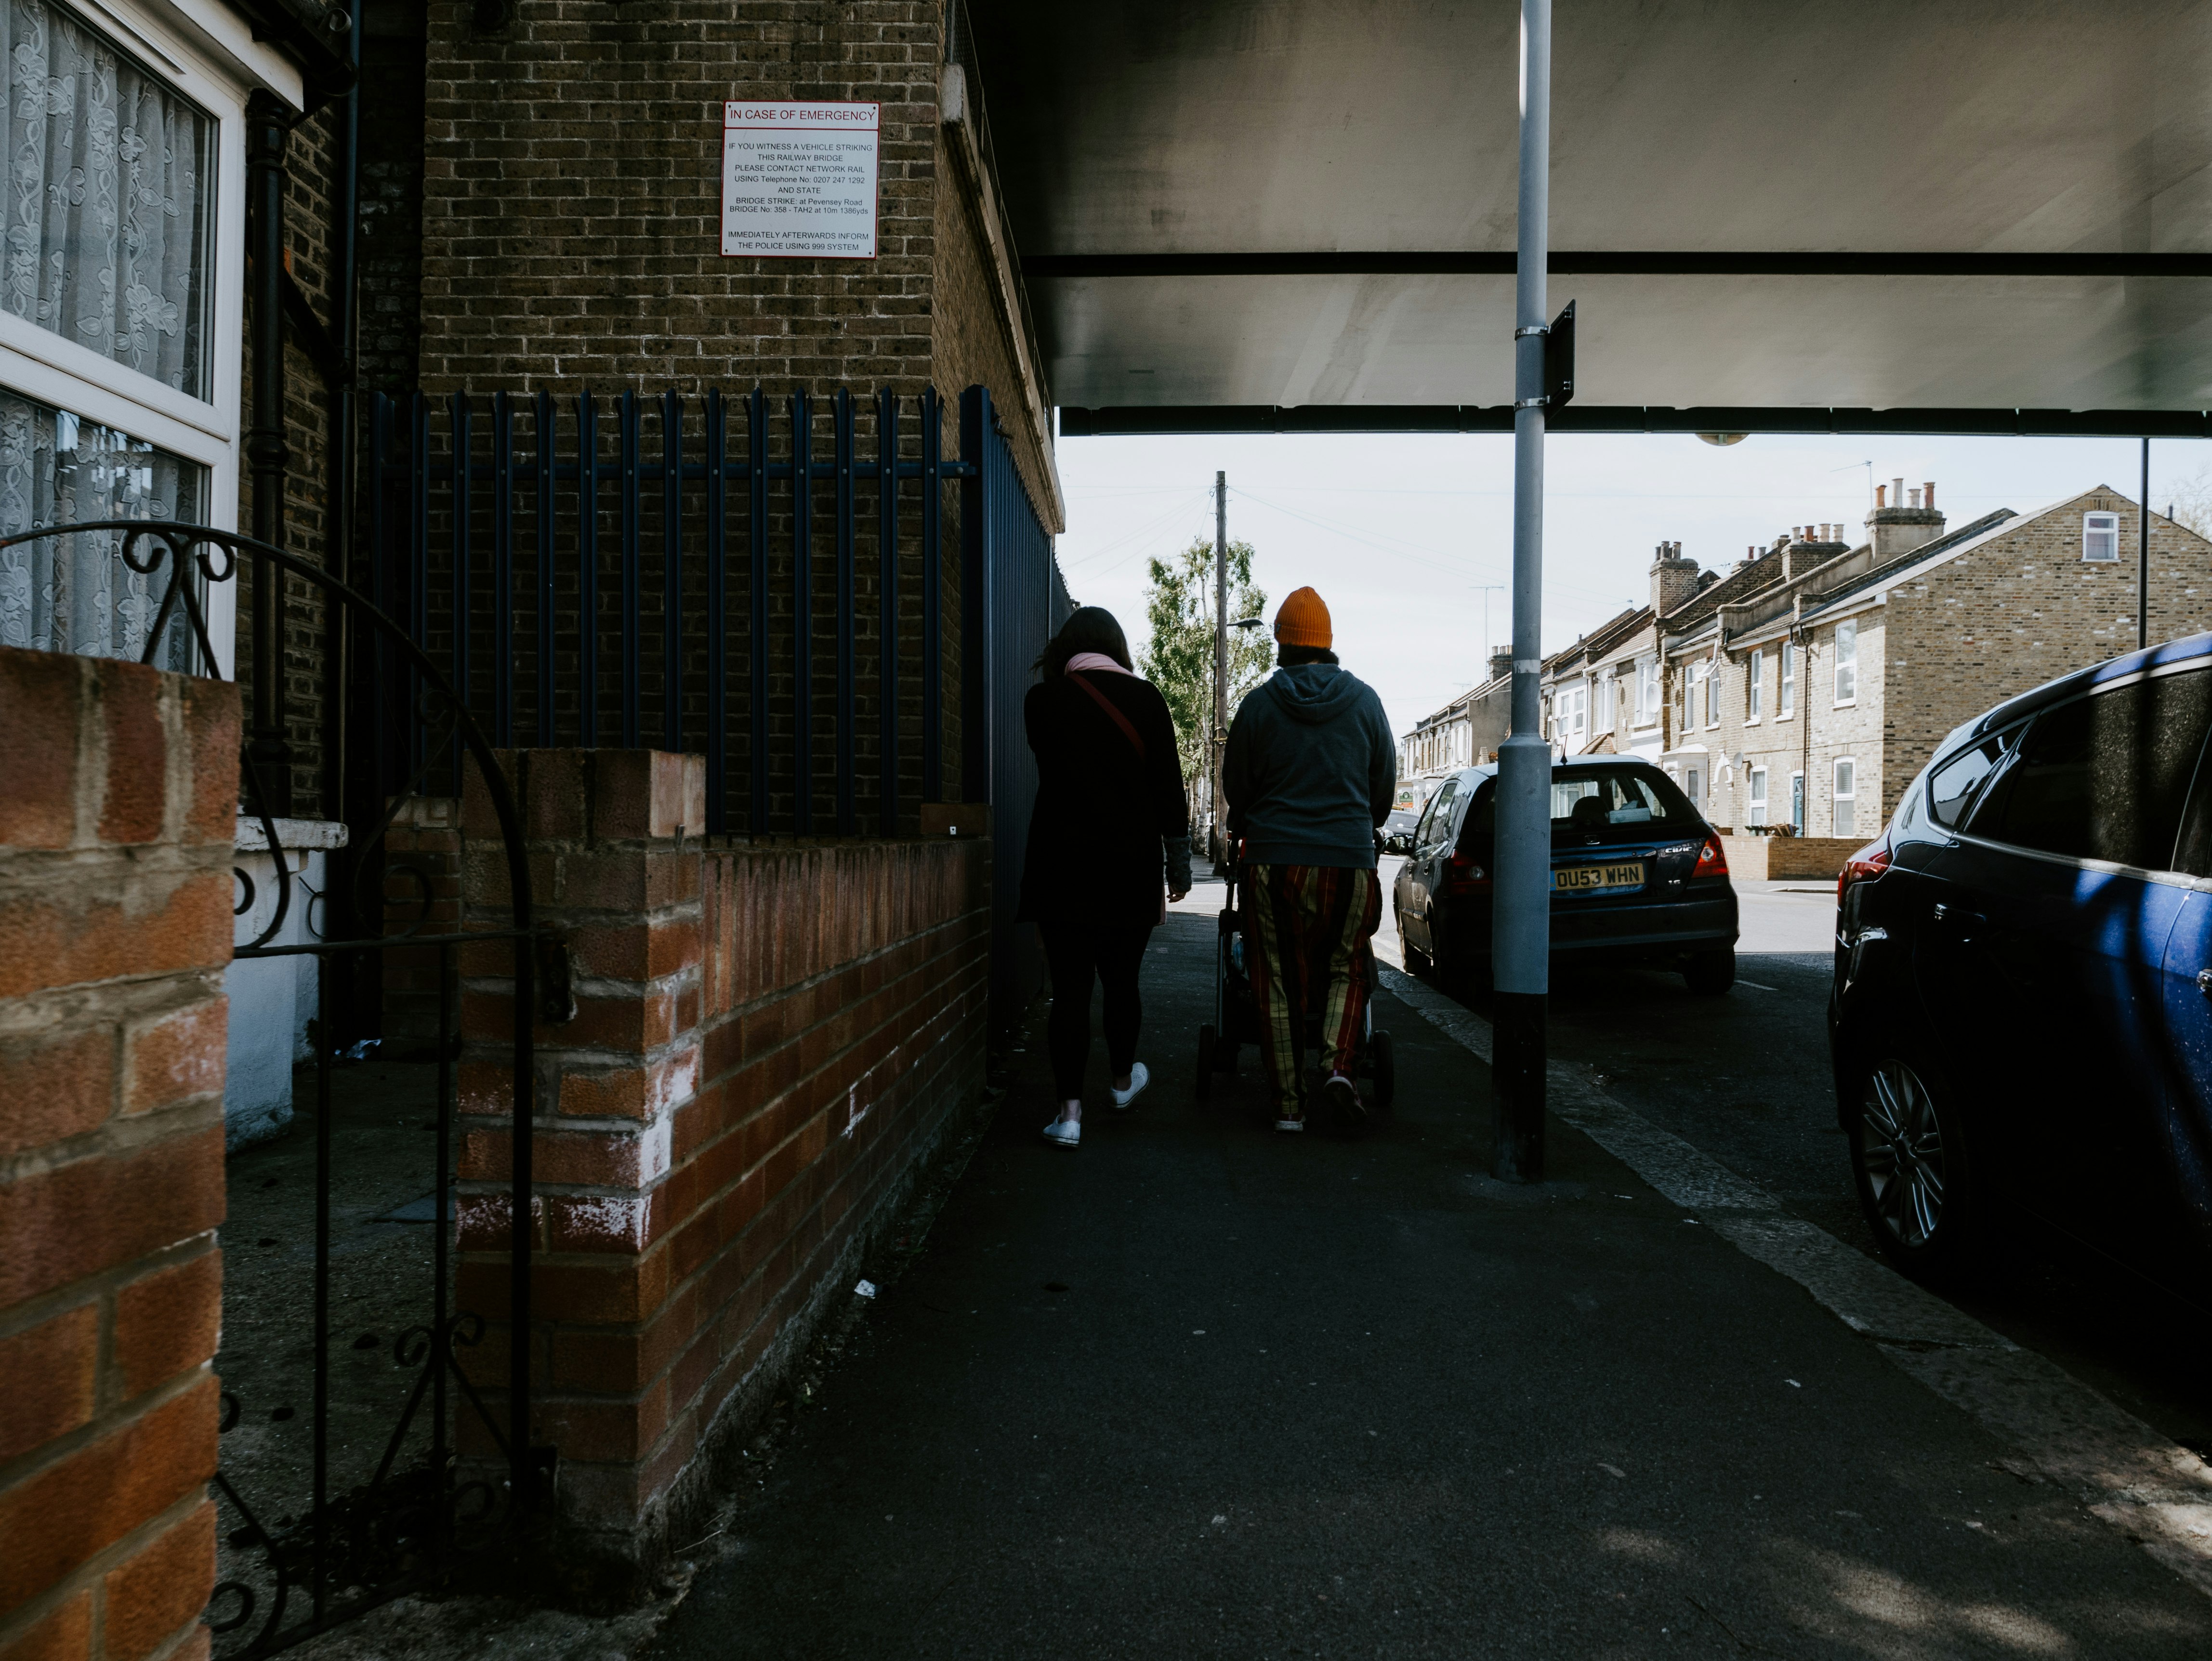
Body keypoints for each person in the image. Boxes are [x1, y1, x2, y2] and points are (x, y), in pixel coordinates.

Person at [1017, 606, 1192, 1148]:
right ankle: (1120, 1083)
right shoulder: (1147, 700)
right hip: (1128, 870)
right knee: (1121, 983)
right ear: (1117, 646)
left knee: (1069, 991)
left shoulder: (1041, 703)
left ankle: (1068, 1115)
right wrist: (1179, 866)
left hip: (1059, 869)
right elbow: (1169, 789)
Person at [1222, 586, 1395, 1133]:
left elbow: (1237, 790)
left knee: (1273, 979)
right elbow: (1382, 789)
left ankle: (1289, 1110)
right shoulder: (1366, 701)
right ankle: (1339, 1067)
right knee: (1346, 964)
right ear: (1327, 645)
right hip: (1348, 862)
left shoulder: (1257, 705)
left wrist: (1246, 820)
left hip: (1272, 863)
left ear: (1281, 645)